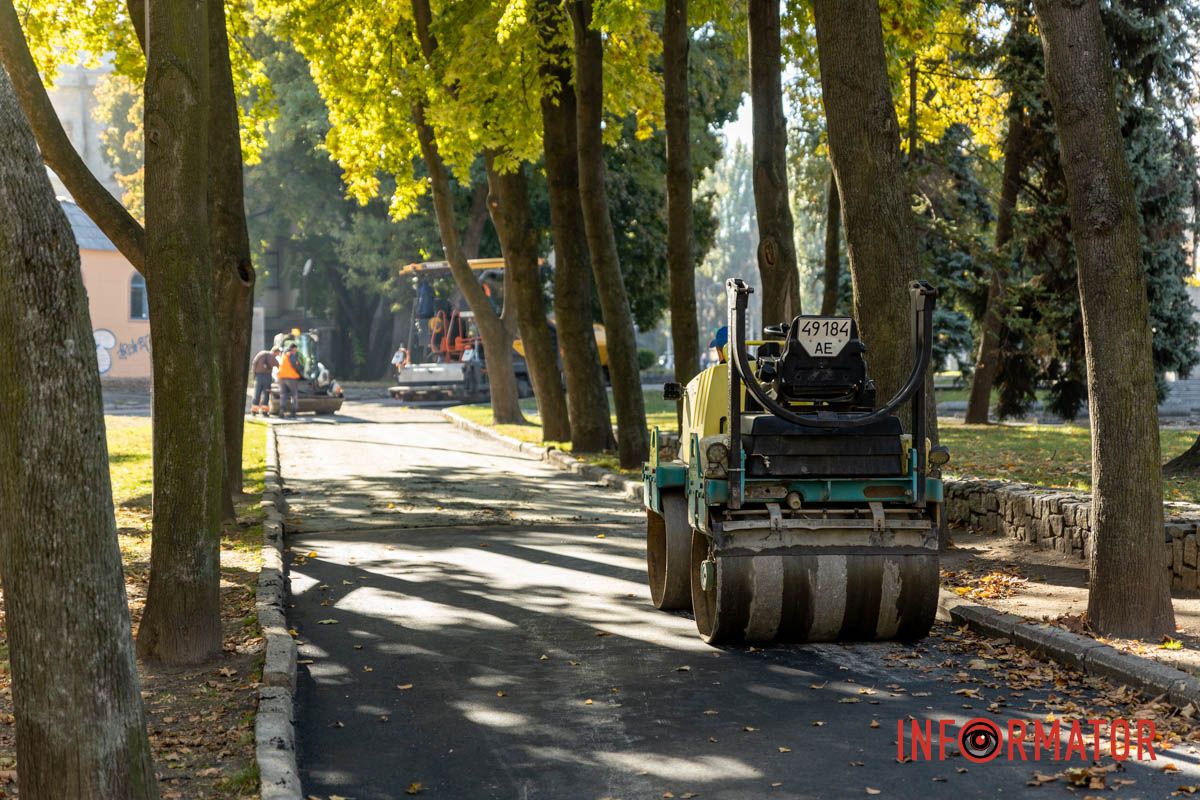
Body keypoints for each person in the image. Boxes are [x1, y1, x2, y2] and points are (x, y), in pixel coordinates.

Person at [250, 346, 280, 416]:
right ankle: (264, 412)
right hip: (267, 377)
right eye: (277, 354)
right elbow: (278, 366)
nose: (277, 355)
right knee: (266, 394)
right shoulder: (273, 357)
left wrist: (254, 375)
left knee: (257, 393)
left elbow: (254, 363)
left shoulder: (261, 354)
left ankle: (254, 411)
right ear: (275, 352)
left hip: (259, 376)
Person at [277, 342, 303, 418]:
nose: (295, 351)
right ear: (292, 349)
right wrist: (300, 369)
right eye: (295, 350)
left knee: (283, 394)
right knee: (294, 395)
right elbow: (294, 365)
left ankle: (281, 411)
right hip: (290, 377)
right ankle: (293, 412)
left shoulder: (284, 355)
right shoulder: (291, 355)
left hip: (281, 377)